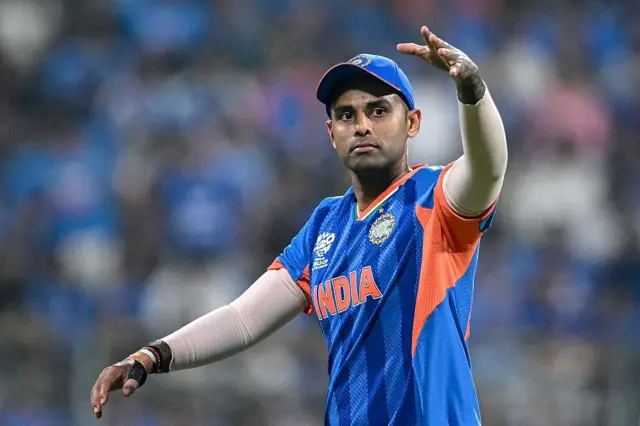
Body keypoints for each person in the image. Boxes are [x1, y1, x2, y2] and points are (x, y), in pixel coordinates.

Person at [90, 26, 507, 425]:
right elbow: (243, 319)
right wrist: (151, 356)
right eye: (346, 115)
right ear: (331, 132)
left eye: (378, 110)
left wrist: (472, 91)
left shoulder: (433, 197)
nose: (362, 125)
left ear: (412, 122)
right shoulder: (326, 224)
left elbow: (487, 169)